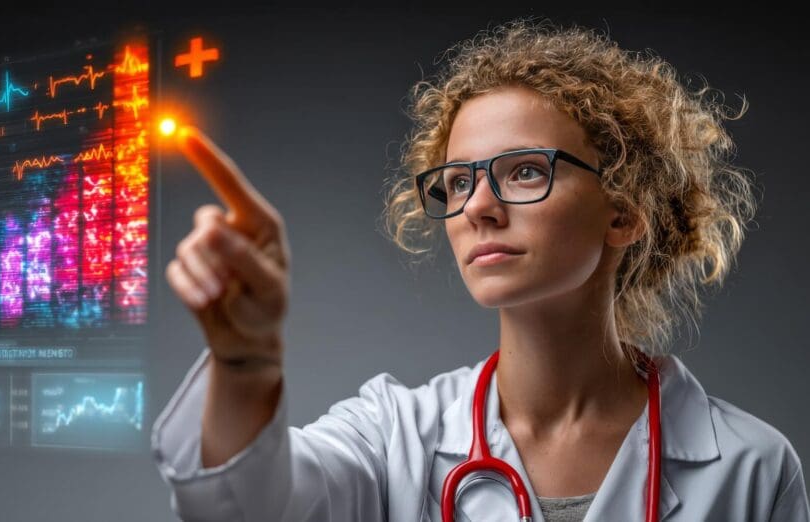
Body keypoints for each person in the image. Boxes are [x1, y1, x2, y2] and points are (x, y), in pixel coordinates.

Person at [152, 17, 809, 521]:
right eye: (458, 181)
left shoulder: (752, 467)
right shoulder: (393, 435)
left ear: (624, 212)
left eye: (525, 171)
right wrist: (246, 362)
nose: (479, 208)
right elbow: (243, 506)